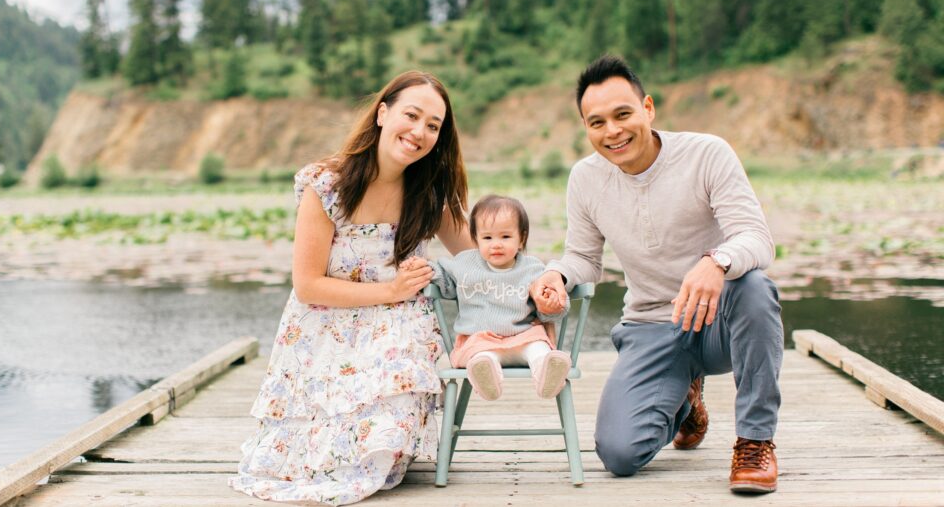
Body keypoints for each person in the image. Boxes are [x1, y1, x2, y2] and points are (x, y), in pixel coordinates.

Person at [531, 55, 783, 494]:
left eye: (623, 114)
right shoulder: (585, 179)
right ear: (586, 128)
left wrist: (716, 262)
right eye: (597, 122)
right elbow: (584, 259)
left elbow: (757, 239)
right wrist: (557, 275)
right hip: (651, 326)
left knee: (756, 287)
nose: (613, 131)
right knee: (619, 455)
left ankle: (755, 441)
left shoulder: (707, 154)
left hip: (718, 320)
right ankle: (686, 404)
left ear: (647, 108)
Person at [229, 71, 473, 505]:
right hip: (325, 322)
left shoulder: (428, 194)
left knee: (378, 450)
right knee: (304, 459)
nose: (419, 132)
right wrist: (392, 290)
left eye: (433, 125)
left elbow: (476, 256)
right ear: (382, 113)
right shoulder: (327, 184)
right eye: (411, 116)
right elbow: (307, 285)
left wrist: (532, 278)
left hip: (396, 329)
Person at [409, 194, 570, 401]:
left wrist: (550, 305)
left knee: (539, 347)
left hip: (522, 337)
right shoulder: (465, 263)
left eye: (505, 237)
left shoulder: (533, 269)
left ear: (521, 238)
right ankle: (486, 377)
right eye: (487, 238)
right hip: (480, 339)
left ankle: (547, 374)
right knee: (481, 358)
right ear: (475, 239)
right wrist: (423, 268)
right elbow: (443, 277)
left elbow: (552, 309)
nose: (496, 244)